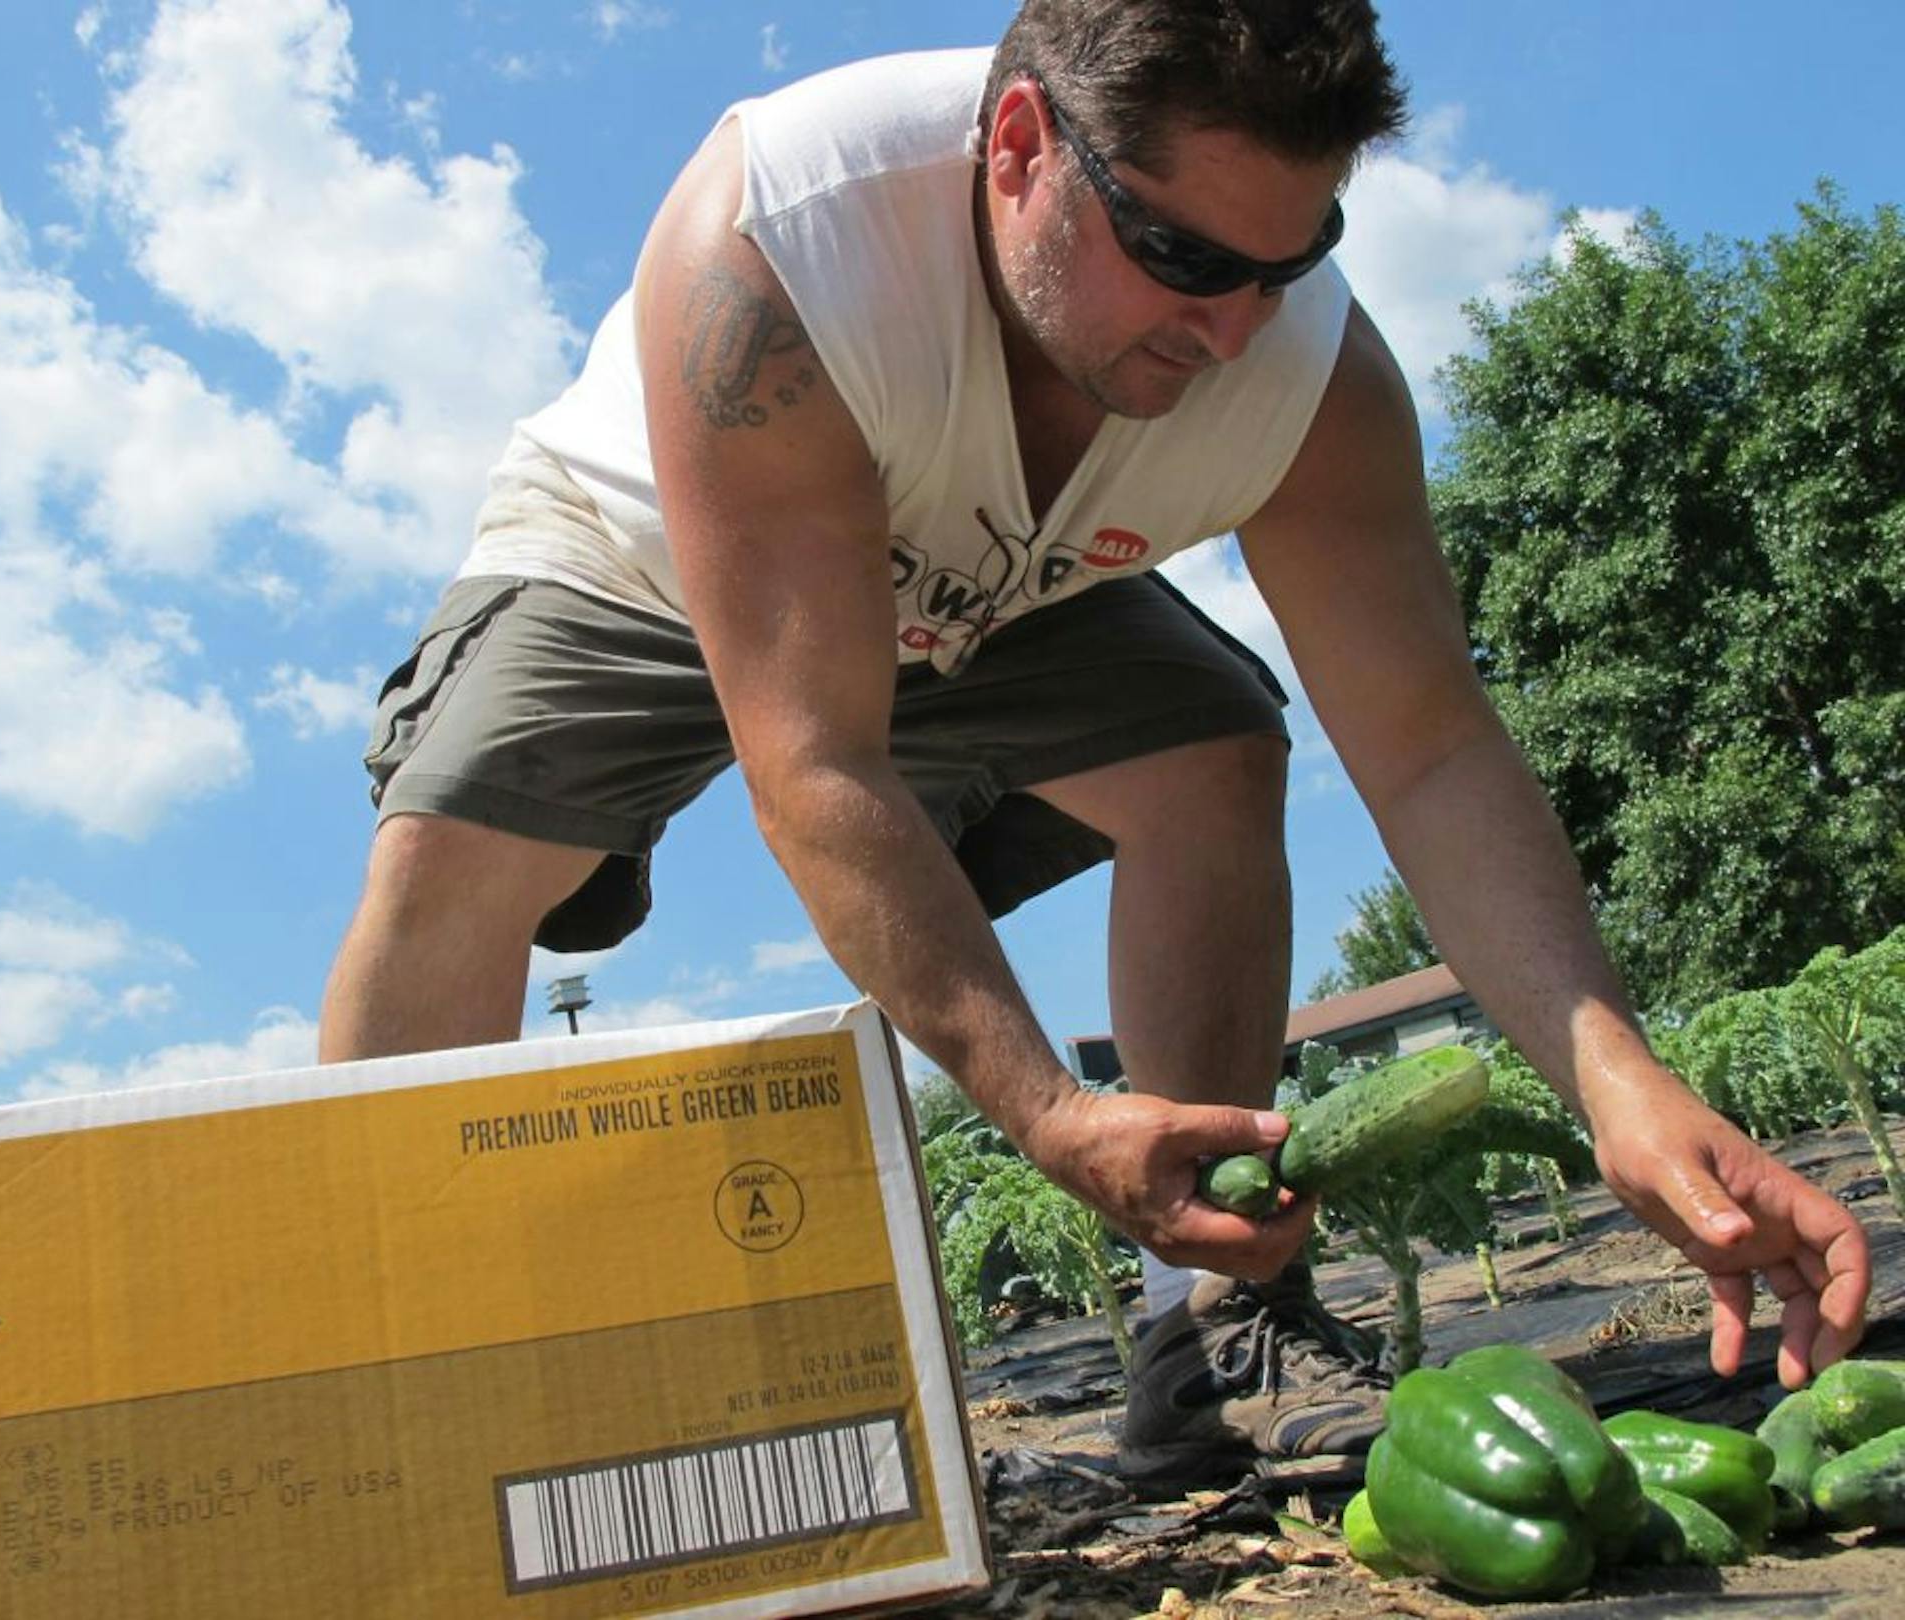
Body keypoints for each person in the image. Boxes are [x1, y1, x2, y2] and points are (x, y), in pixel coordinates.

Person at [320, 0, 1870, 1492]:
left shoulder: (1309, 376)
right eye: (1182, 256)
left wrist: (1622, 1080)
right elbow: (818, 765)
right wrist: (1052, 1117)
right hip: (650, 553)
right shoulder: (779, 254)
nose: (1228, 327)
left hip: (999, 581)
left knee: (1212, 745)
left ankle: (1214, 1333)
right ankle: (386, 1386)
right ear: (1018, 148)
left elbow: (1429, 749)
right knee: (454, 840)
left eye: (1289, 260)